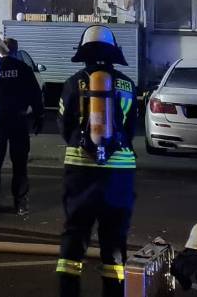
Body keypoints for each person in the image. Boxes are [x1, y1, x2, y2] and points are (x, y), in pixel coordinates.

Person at [56, 25, 138, 297]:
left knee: (74, 235)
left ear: (85, 54)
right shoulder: (128, 85)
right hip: (119, 174)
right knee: (114, 241)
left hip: (80, 171)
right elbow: (130, 130)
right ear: (114, 54)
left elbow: (64, 127)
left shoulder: (72, 83)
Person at [0, 37, 44, 217]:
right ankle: (20, 204)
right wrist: (39, 116)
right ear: (16, 51)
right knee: (20, 165)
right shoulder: (24, 69)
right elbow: (35, 94)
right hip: (18, 120)